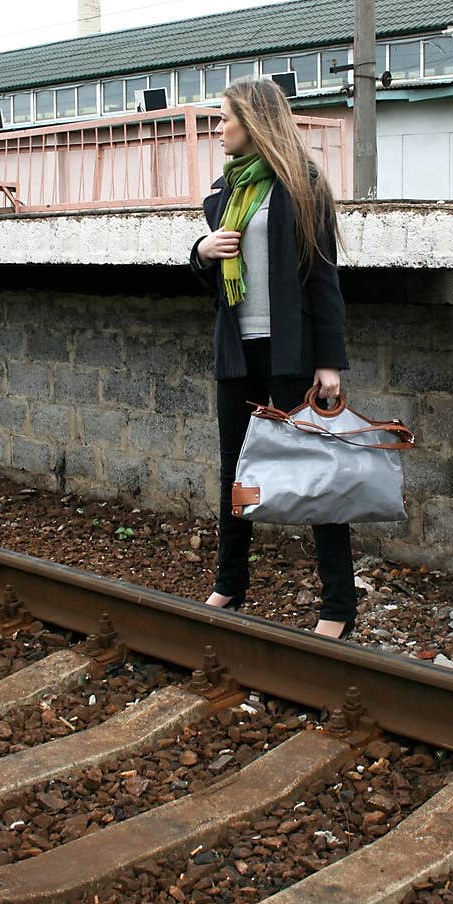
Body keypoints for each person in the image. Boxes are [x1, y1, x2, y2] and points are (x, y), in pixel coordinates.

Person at [190, 77, 357, 639]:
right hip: (239, 354)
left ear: (254, 120)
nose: (218, 128)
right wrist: (201, 253)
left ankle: (337, 606)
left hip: (291, 355)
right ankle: (230, 583)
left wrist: (329, 364)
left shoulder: (300, 185)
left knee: (316, 474)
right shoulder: (224, 192)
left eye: (225, 117)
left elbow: (323, 277)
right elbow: (216, 282)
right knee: (235, 472)